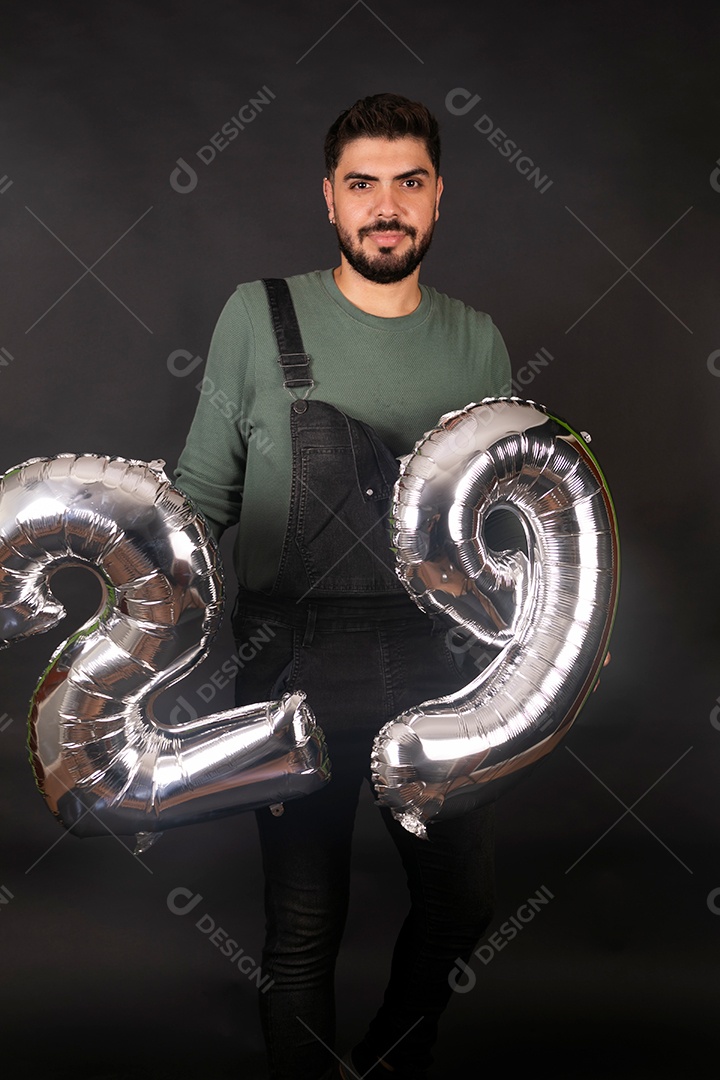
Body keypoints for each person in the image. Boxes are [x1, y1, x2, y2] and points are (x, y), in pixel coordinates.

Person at [174, 93, 512, 1080]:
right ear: (330, 200)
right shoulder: (258, 315)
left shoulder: (478, 341)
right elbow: (202, 495)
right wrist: (148, 624)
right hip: (289, 665)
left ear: (439, 198)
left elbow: (500, 521)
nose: (386, 205)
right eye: (363, 184)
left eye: (409, 183)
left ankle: (393, 1059)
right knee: (303, 926)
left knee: (461, 901)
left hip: (436, 666)